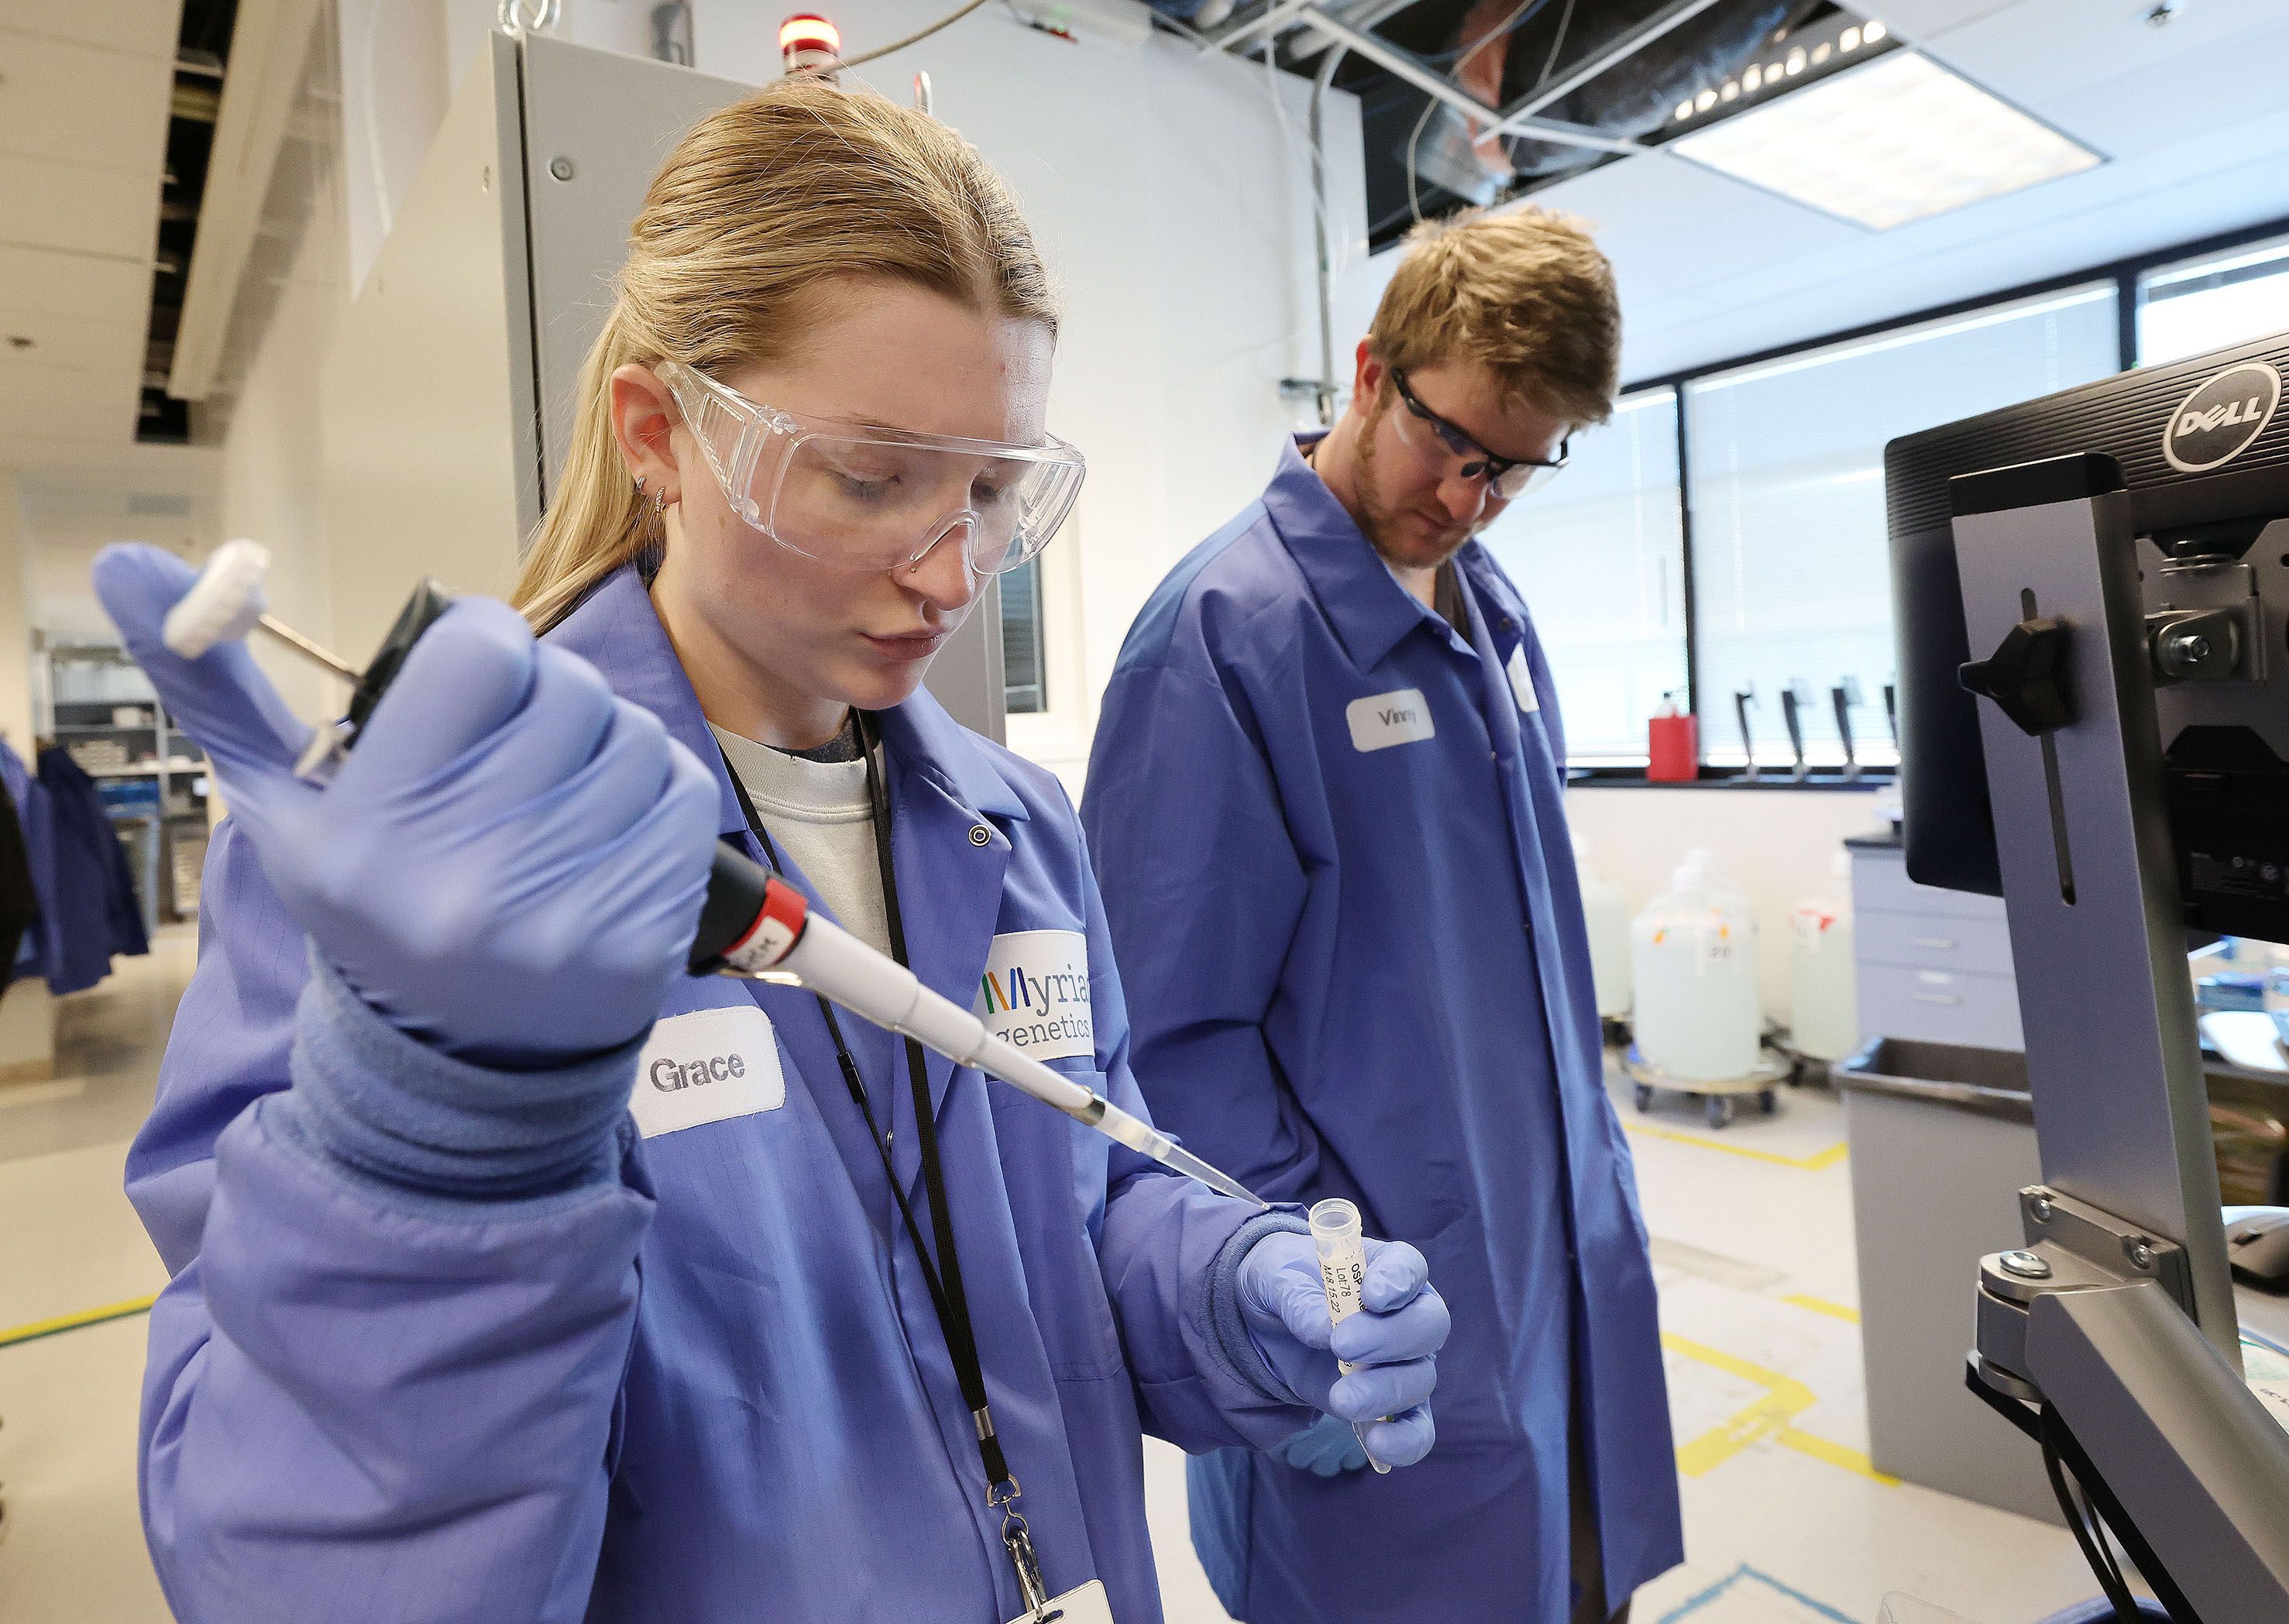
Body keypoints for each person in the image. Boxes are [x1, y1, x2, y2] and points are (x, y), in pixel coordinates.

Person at [101, 80, 1450, 1624]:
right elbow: (297, 1570)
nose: (951, 571)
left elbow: (1074, 1219)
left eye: (995, 490)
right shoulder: (419, 881)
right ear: (661, 433)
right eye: (871, 475)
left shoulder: (1012, 830)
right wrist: (433, 1147)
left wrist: (1226, 1293)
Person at [1082, 206, 1682, 1624]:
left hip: (1552, 1274)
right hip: (1376, 1317)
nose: (1472, 500)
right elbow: (1172, 1048)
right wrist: (1315, 1313)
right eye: (1453, 448)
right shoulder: (1226, 638)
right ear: (1369, 373)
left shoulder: (1490, 614)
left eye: (1520, 472)